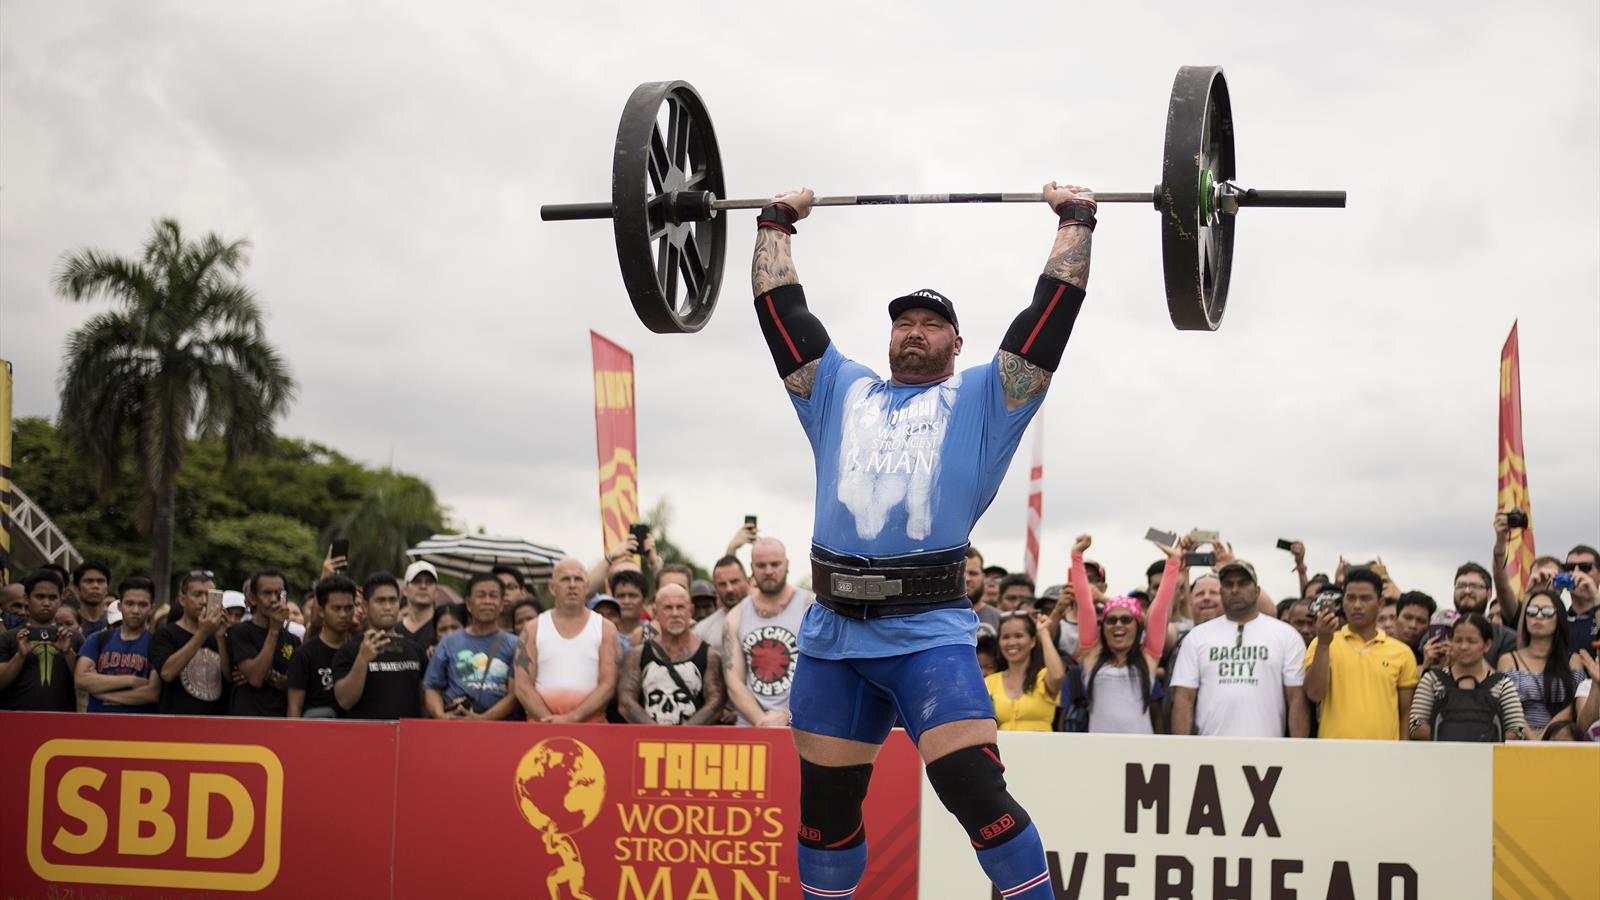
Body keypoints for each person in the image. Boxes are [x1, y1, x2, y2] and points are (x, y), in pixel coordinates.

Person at [752, 183, 1096, 899]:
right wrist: (775, 222)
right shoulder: (839, 391)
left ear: (956, 342)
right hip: (833, 633)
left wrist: (1076, 220)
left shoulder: (984, 399)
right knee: (824, 816)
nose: (914, 330)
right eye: (904, 321)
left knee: (978, 797)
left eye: (931, 323)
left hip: (929, 633)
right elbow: (782, 314)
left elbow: (1049, 319)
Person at [1170, 561, 1310, 738]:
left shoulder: (1286, 635)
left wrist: (1298, 753)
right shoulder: (1196, 637)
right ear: (1221, 592)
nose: (1235, 590)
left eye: (1243, 583)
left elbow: (1296, 699)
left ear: (1257, 591)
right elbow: (1183, 698)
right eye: (1228, 584)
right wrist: (1182, 751)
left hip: (1269, 752)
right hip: (1210, 752)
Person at [1073, 534, 1177, 734]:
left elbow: (1159, 610)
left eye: (1126, 619)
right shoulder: (1091, 656)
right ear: (1102, 626)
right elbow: (1085, 606)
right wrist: (1077, 555)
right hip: (1101, 752)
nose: (1118, 625)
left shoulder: (1149, 657)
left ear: (1138, 626)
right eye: (1111, 620)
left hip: (1139, 756)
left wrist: (1173, 562)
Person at [1303, 567, 1419, 740]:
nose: (1357, 605)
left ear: (1380, 604)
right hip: (1334, 754)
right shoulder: (1322, 643)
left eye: (1365, 598)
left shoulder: (1402, 652)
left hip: (1385, 757)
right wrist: (1324, 644)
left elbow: (1405, 713)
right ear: (1343, 602)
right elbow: (1314, 693)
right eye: (1350, 598)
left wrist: (1401, 755)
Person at [514, 557, 619, 723]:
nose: (572, 585)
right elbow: (522, 686)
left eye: (578, 579)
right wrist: (548, 720)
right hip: (540, 728)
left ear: (587, 586)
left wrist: (572, 718)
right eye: (565, 579)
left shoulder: (606, 628)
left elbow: (608, 685)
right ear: (552, 587)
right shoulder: (533, 628)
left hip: (592, 728)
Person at [721, 536, 811, 727]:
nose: (769, 571)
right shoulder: (736, 616)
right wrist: (762, 722)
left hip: (802, 723)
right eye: (761, 565)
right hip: (751, 725)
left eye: (775, 564)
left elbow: (822, 673)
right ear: (751, 568)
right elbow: (733, 681)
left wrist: (787, 714)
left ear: (786, 564)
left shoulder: (809, 607)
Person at [1408, 613, 1526, 741]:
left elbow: (1517, 730)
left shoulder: (1502, 683)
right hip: (1441, 757)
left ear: (1487, 645)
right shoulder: (1432, 679)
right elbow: (1416, 726)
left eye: (1471, 641)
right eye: (1458, 640)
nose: (1463, 647)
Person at [618, 584, 725, 725]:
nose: (675, 613)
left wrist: (681, 736)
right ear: (656, 612)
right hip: (648, 742)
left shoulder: (709, 656)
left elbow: (716, 704)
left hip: (694, 743)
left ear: (690, 611)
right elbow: (626, 703)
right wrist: (657, 734)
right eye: (668, 608)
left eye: (680, 607)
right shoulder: (638, 655)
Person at [333, 573, 428, 719]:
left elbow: (424, 705)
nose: (388, 607)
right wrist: (362, 660)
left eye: (393, 600)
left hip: (407, 737)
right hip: (365, 737)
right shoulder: (349, 651)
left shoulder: (416, 650)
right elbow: (345, 701)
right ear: (365, 606)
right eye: (380, 601)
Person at [424, 573, 519, 720]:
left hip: (500, 730)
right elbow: (432, 687)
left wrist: (484, 719)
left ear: (501, 604)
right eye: (481, 595)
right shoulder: (448, 643)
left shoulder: (515, 644)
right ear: (468, 603)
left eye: (493, 596)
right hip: (456, 726)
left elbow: (516, 693)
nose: (487, 601)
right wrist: (440, 716)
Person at [1497, 588, 1586, 739]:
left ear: (1559, 617)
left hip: (1559, 739)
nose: (1538, 616)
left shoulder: (1573, 660)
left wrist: (1543, 738)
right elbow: (1507, 705)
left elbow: (1572, 707)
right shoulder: (1508, 660)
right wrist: (1531, 738)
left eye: (1547, 612)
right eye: (1531, 611)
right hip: (1518, 737)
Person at [74, 576, 160, 713]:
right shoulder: (97, 639)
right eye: (129, 604)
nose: (136, 610)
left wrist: (102, 693)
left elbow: (151, 693)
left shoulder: (157, 644)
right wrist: (132, 681)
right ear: (120, 606)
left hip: (142, 728)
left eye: (143, 605)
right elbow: (81, 679)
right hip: (98, 726)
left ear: (152, 608)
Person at [150, 571, 230, 715]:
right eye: (197, 594)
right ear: (182, 599)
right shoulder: (166, 634)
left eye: (209, 595)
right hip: (178, 723)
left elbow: (229, 678)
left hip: (216, 724)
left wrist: (220, 637)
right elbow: (167, 673)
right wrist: (203, 633)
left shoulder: (220, 635)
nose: (204, 601)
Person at [0, 569, 78, 711]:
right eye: (40, 597)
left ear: (61, 598)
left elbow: (84, 683)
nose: (46, 603)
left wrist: (68, 653)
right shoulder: (8, 638)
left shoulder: (74, 638)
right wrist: (19, 656)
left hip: (63, 724)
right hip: (15, 723)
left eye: (52, 597)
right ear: (26, 598)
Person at [227, 569, 301, 717]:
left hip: (280, 721)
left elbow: (295, 685)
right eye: (266, 593)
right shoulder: (239, 632)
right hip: (248, 720)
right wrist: (274, 631)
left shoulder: (293, 640)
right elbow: (256, 678)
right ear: (253, 598)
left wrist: (271, 676)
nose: (273, 599)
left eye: (279, 594)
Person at [288, 575, 358, 718]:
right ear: (321, 610)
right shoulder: (304, 654)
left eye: (349, 608)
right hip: (316, 734)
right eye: (336, 608)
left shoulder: (363, 650)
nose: (344, 614)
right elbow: (294, 709)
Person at [987, 612, 1064, 732]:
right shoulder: (990, 682)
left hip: (1043, 749)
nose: (1012, 642)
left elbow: (1057, 676)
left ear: (1033, 641)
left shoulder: (1042, 678)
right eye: (1005, 637)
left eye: (1018, 636)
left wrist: (1043, 632)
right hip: (1004, 749)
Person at [1450, 561, 1516, 666]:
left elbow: (1506, 680)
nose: (1467, 591)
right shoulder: (1438, 633)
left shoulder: (1506, 638)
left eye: (1474, 586)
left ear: (1489, 594)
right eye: (1461, 585)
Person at [693, 555, 750, 643]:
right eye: (722, 584)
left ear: (747, 581)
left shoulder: (767, 617)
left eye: (734, 582)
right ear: (715, 588)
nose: (729, 589)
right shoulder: (701, 631)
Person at [398, 560, 440, 649]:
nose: (423, 586)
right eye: (417, 581)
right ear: (405, 590)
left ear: (436, 591)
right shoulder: (395, 631)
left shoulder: (442, 628)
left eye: (429, 582)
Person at [70, 560, 113, 637]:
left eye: (100, 581)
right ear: (76, 588)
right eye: (89, 581)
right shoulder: (69, 622)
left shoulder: (117, 622)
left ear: (107, 588)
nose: (95, 586)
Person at [1393, 591, 1438, 664]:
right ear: (1395, 618)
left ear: (1428, 626)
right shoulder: (1375, 651)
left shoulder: (1429, 660)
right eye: (1408, 618)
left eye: (1421, 621)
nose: (1413, 625)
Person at [966, 547, 1001, 639]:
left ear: (983, 577)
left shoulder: (1000, 619)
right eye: (962, 573)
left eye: (973, 573)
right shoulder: (941, 618)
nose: (967, 579)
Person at [609, 569, 650, 646]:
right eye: (620, 596)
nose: (626, 601)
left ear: (645, 601)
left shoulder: (653, 633)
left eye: (632, 596)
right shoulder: (603, 632)